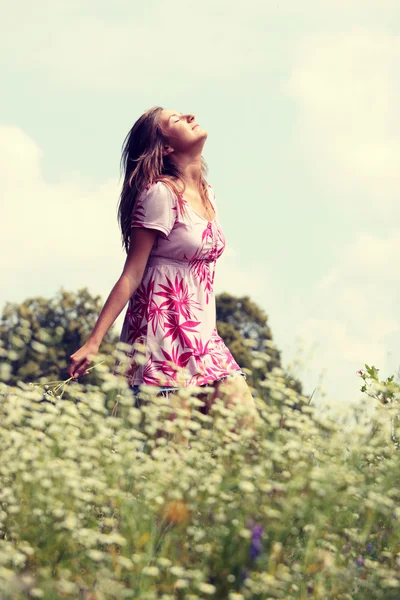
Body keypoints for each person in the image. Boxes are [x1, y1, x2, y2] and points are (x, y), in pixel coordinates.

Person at [67, 106, 261, 434]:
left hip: (202, 337)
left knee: (251, 434)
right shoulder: (160, 194)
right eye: (175, 120)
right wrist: (94, 342)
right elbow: (132, 272)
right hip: (162, 338)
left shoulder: (207, 193)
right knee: (173, 455)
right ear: (167, 147)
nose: (189, 115)